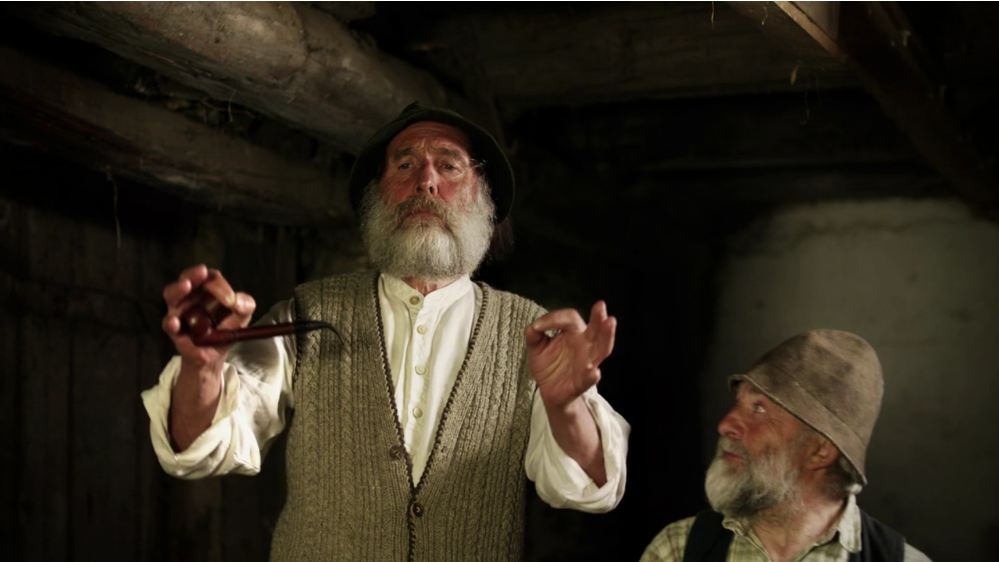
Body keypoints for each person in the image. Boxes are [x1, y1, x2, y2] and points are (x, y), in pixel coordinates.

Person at [142, 102, 629, 561]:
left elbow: (591, 489)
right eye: (405, 164)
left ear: (483, 195)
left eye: (449, 165)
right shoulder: (306, 313)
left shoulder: (533, 335)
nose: (426, 181)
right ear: (378, 195)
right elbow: (200, 449)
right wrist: (202, 369)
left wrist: (566, 407)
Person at [641, 329, 931, 562]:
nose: (726, 424)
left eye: (759, 409)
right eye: (738, 403)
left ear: (819, 450)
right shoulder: (678, 549)